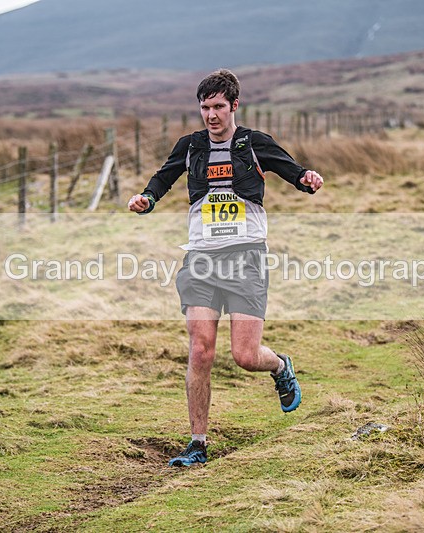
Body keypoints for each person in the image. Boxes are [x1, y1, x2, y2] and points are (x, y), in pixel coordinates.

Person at [128, 69, 324, 467]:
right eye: (205, 107)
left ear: (234, 105)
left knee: (245, 356)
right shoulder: (191, 146)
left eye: (218, 106)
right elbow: (162, 179)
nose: (211, 115)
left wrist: (307, 178)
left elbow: (292, 170)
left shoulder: (254, 143)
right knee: (201, 350)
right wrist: (147, 199)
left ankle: (280, 366)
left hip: (245, 258)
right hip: (201, 259)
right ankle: (197, 444)